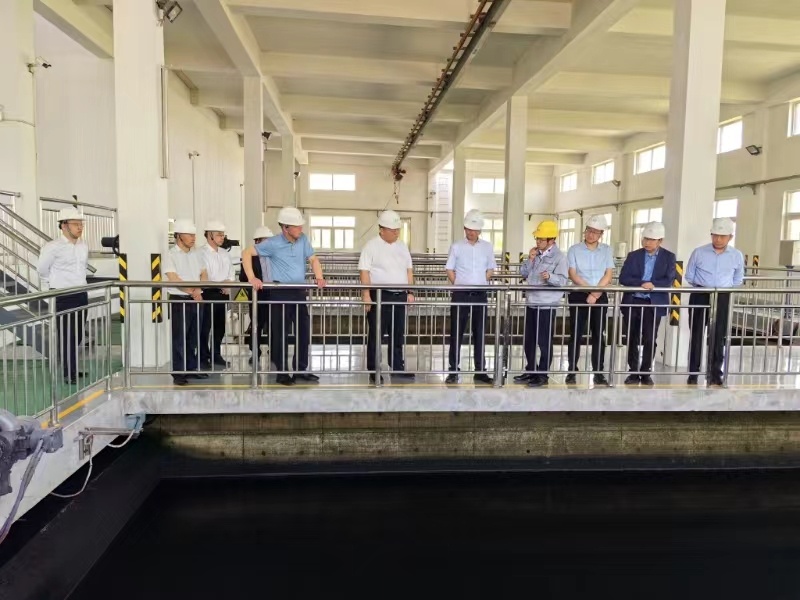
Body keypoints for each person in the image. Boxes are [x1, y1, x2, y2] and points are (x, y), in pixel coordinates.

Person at [242, 206, 326, 386]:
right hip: (279, 292)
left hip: (299, 292)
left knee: (303, 332)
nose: (301, 228)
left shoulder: (303, 239)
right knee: (280, 334)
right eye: (297, 226)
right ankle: (281, 372)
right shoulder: (272, 243)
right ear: (285, 228)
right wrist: (252, 277)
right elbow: (246, 253)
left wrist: (319, 276)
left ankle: (300, 369)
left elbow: (313, 259)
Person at [685, 217, 744, 386]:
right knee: (696, 334)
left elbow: (738, 279)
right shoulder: (699, 252)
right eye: (715, 235)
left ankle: (715, 374)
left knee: (719, 336)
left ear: (730, 237)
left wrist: (722, 288)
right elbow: (689, 275)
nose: (718, 239)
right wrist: (704, 286)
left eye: (722, 236)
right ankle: (693, 373)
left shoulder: (736, 255)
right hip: (700, 294)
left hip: (723, 297)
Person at [359, 210, 415, 384]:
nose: (396, 232)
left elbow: (409, 270)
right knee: (376, 335)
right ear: (382, 229)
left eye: (398, 229)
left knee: (397, 334)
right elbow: (364, 272)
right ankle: (374, 370)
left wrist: (410, 292)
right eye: (393, 230)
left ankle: (397, 367)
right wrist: (366, 295)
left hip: (399, 296)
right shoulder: (371, 246)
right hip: (379, 296)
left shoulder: (402, 246)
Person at [512, 220, 569, 388]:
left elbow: (563, 281)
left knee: (544, 341)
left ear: (551, 240)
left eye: (541, 239)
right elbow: (523, 273)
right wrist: (529, 259)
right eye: (537, 238)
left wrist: (550, 277)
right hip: (532, 302)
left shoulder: (560, 257)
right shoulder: (535, 254)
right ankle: (531, 370)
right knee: (529, 340)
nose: (538, 242)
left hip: (546, 305)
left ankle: (542, 374)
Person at [618, 221, 677, 386]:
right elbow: (624, 278)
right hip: (633, 301)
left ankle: (645, 372)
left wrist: (654, 285)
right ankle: (633, 372)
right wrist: (642, 283)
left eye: (651, 240)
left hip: (653, 303)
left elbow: (669, 280)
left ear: (660, 241)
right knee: (632, 337)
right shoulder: (633, 255)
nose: (647, 242)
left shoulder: (669, 257)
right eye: (645, 239)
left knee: (650, 338)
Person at [37, 208, 90, 384]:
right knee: (68, 335)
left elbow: (82, 268)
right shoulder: (52, 247)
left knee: (78, 334)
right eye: (76, 224)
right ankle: (69, 373)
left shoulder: (83, 246)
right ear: (64, 225)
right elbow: (42, 270)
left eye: (81, 224)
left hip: (81, 294)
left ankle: (72, 367)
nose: (80, 227)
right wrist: (53, 287)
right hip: (63, 296)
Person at [444, 209, 496, 385]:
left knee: (480, 333)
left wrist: (481, 281)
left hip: (480, 294)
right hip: (460, 294)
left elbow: (490, 269)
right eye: (468, 229)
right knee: (456, 333)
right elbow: (449, 269)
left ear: (479, 230)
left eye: (473, 230)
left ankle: (480, 371)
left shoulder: (487, 247)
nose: (470, 232)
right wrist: (459, 284)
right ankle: (453, 370)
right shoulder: (457, 246)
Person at [566, 214, 615, 385]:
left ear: (601, 234)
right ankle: (572, 370)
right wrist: (591, 291)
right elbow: (573, 274)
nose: (591, 234)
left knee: (599, 335)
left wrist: (595, 293)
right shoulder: (574, 249)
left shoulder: (607, 250)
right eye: (589, 230)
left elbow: (608, 274)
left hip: (599, 295)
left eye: (595, 232)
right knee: (576, 334)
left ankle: (598, 371)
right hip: (579, 294)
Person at [163, 219, 208, 386]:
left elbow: (204, 273)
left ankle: (191, 367)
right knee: (179, 337)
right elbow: (173, 278)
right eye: (189, 235)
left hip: (196, 298)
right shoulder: (170, 255)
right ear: (179, 236)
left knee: (194, 336)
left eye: (194, 235)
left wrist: (199, 289)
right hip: (180, 299)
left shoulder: (197, 254)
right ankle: (179, 372)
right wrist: (192, 291)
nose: (193, 238)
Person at [199, 220, 234, 370]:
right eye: (219, 235)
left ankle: (216, 354)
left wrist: (228, 284)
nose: (222, 238)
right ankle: (203, 357)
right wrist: (221, 283)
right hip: (208, 293)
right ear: (210, 235)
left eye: (223, 235)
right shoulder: (201, 253)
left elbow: (231, 273)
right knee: (205, 327)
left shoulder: (224, 253)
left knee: (220, 327)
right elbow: (205, 277)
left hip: (223, 294)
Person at [239, 226, 273, 365]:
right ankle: (255, 353)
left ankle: (273, 350)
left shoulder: (274, 256)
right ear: (257, 241)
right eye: (266, 240)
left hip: (273, 295)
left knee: (274, 325)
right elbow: (243, 277)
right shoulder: (249, 257)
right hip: (257, 296)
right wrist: (253, 280)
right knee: (256, 326)